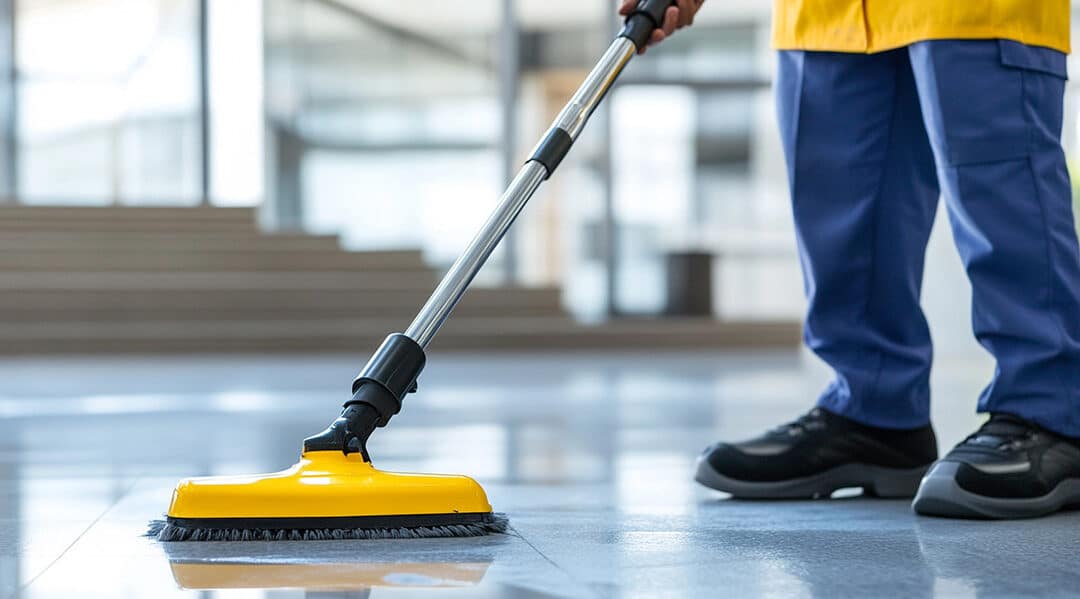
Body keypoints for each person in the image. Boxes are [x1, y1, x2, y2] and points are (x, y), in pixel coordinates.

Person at [621, 0, 1080, 519]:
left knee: (1000, 192)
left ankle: (1051, 413)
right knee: (840, 205)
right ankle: (874, 414)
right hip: (825, 14)